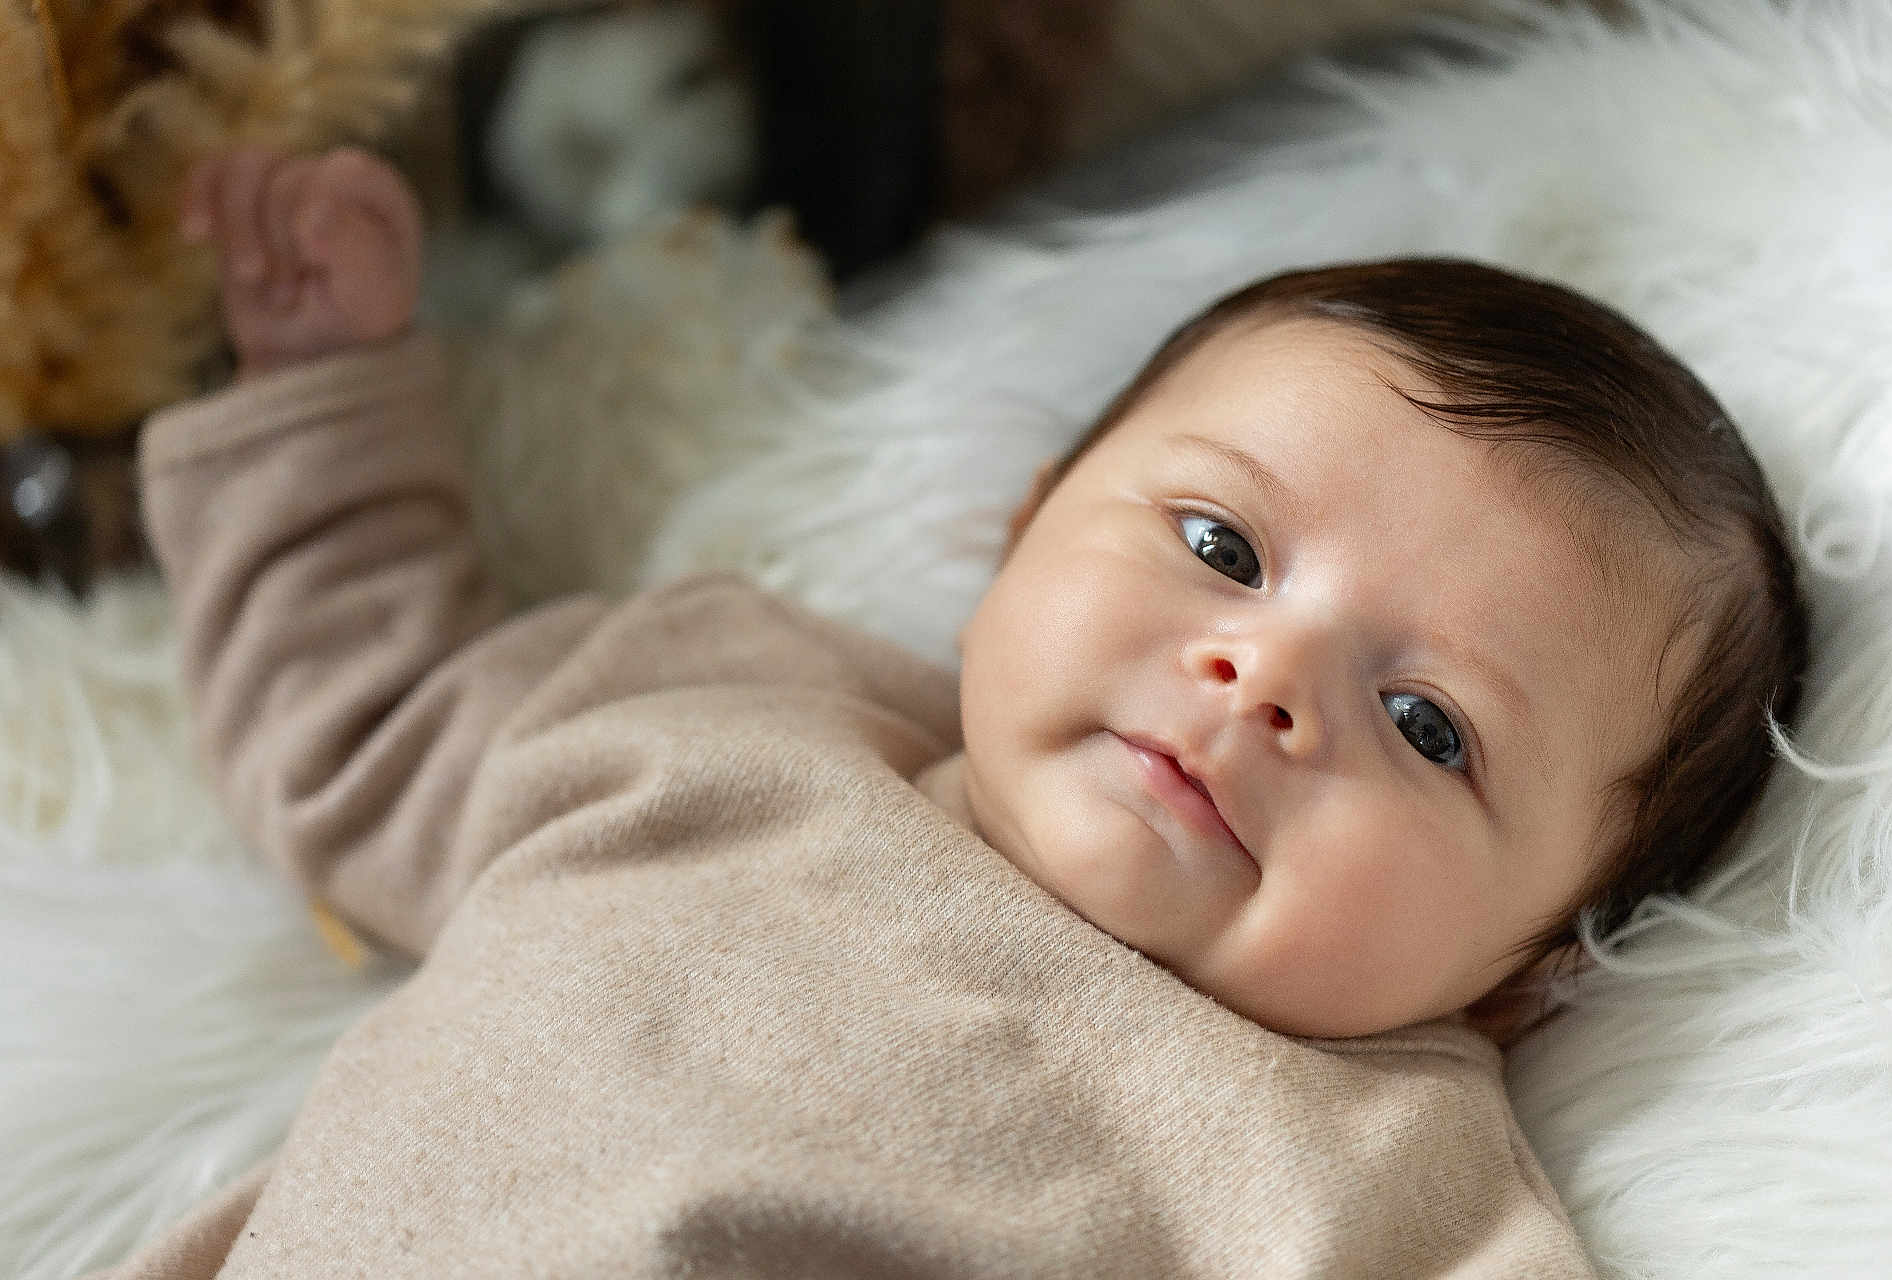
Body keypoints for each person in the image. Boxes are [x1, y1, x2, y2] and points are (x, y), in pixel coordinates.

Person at [94, 146, 1805, 1277]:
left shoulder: (1388, 1183)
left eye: (1430, 726)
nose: (1267, 679)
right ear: (1028, 523)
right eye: (1221, 546)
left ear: (1530, 971)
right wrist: (322, 396)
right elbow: (363, 722)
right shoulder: (722, 710)